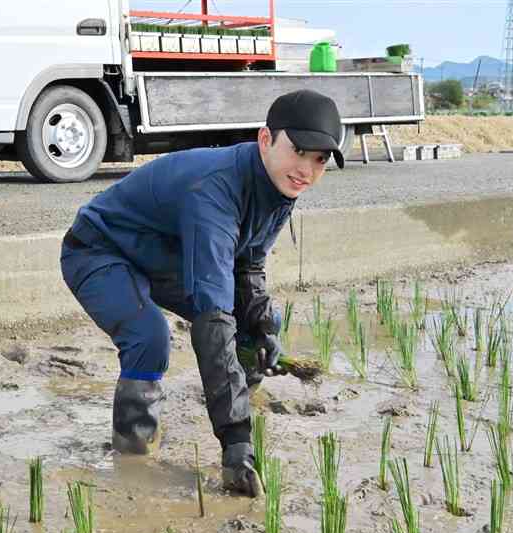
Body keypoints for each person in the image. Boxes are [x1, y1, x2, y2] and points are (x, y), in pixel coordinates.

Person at [60, 89, 344, 497]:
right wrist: (234, 442)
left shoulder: (281, 187)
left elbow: (249, 265)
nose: (307, 169)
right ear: (266, 139)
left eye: (319, 160)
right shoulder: (215, 189)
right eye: (299, 151)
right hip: (97, 249)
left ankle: (239, 398)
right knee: (150, 337)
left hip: (162, 255)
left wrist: (260, 324)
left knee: (257, 323)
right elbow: (212, 317)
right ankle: (135, 455)